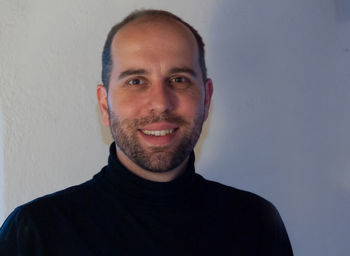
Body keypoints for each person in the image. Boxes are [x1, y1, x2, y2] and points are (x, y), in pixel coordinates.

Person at [0, 9, 293, 255]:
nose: (161, 103)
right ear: (104, 104)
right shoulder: (36, 233)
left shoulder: (257, 224)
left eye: (178, 79)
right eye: (136, 81)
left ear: (206, 99)